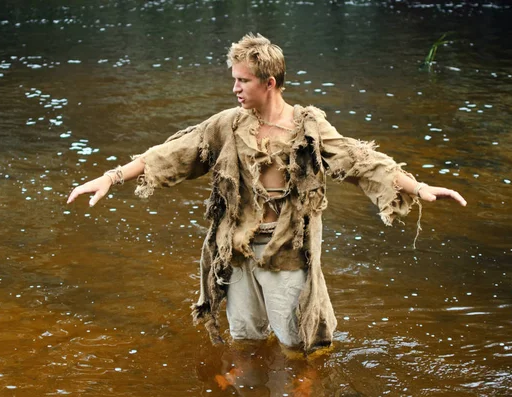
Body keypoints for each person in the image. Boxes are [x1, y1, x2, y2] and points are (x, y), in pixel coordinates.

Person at [67, 33, 467, 354]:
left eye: (243, 81)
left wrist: (418, 186)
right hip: (238, 248)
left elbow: (361, 160)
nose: (235, 89)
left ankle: (305, 384)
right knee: (246, 339)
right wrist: (112, 176)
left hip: (286, 250)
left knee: (300, 344)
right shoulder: (228, 124)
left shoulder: (307, 126)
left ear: (269, 83)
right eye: (234, 80)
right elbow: (173, 152)